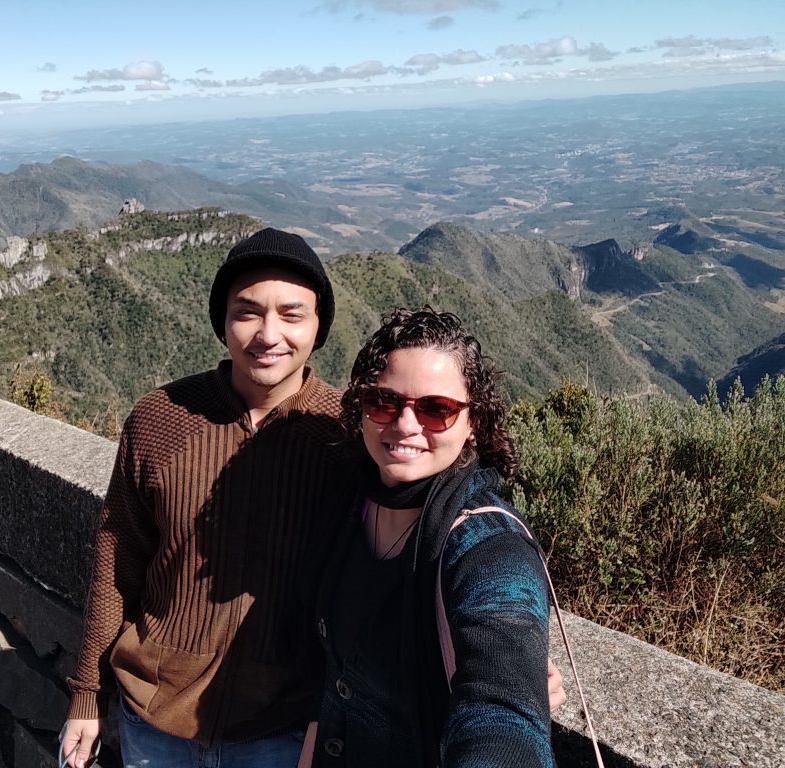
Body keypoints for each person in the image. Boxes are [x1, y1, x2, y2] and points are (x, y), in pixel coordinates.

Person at [60, 227, 350, 768]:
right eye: (248, 312)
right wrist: (87, 695)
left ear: (318, 327)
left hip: (282, 730)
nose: (269, 334)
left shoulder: (343, 438)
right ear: (222, 322)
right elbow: (115, 563)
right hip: (154, 720)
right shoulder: (159, 419)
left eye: (292, 315)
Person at [302, 307, 556, 767]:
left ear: (473, 420)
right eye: (384, 401)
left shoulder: (488, 546)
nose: (404, 425)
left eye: (436, 409)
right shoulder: (352, 503)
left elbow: (504, 706)